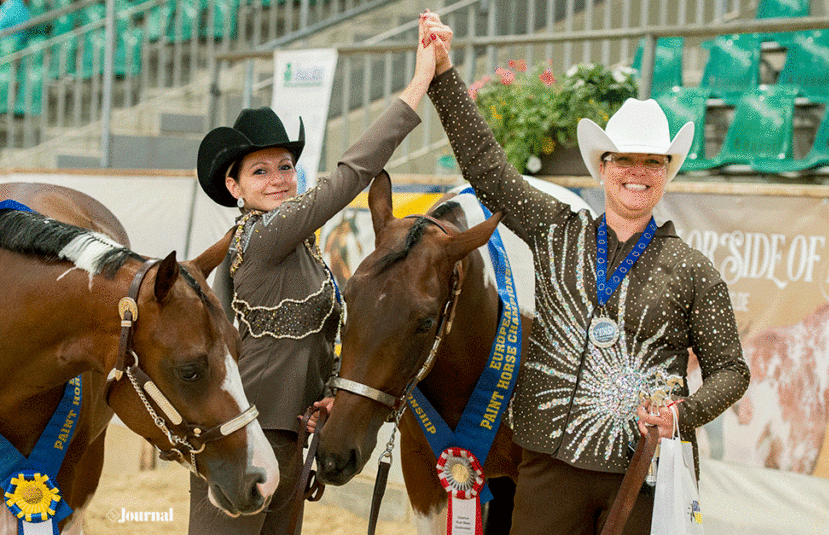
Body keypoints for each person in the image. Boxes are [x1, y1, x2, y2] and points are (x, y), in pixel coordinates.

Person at [419, 12, 750, 535]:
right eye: (626, 160)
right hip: (548, 463)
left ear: (667, 173)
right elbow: (486, 167)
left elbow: (732, 371)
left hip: (642, 475)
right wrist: (442, 74)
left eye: (654, 163)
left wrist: (680, 415)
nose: (638, 173)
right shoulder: (555, 229)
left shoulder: (694, 271)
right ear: (602, 166)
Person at [189, 13, 440, 534]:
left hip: (292, 433)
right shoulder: (264, 235)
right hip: (243, 436)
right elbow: (351, 175)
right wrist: (419, 83)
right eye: (260, 170)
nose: (279, 179)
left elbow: (312, 337)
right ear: (234, 187)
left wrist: (326, 390)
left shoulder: (300, 244)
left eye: (285, 166)